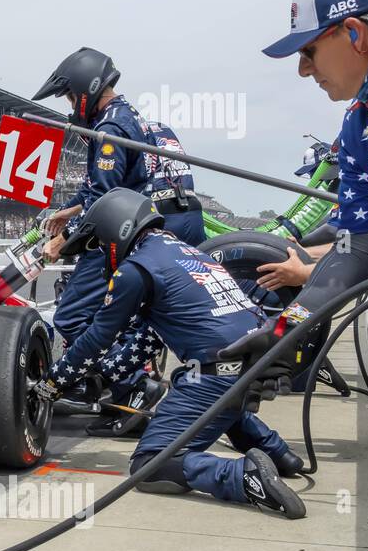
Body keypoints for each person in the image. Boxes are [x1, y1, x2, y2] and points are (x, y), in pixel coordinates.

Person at [34, 189, 306, 518]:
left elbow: (95, 341)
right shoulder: (186, 253)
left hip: (221, 371)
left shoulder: (135, 270)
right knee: (192, 384)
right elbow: (146, 342)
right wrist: (106, 375)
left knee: (149, 465)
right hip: (262, 360)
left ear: (116, 230)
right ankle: (278, 453)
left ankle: (243, 477)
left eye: (101, 244)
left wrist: (50, 385)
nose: (103, 252)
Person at [224, 0, 368, 398]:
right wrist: (287, 330)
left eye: (309, 51)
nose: (303, 71)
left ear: (354, 34)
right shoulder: (360, 122)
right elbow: (356, 244)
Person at [31, 48, 204, 433]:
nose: (70, 106)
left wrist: (62, 243)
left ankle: (131, 387)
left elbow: (104, 198)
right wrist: (69, 210)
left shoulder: (109, 129)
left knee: (72, 315)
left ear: (85, 90)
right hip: (168, 224)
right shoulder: (130, 117)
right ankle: (129, 382)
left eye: (69, 97)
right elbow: (102, 186)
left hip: (128, 232)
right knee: (128, 314)